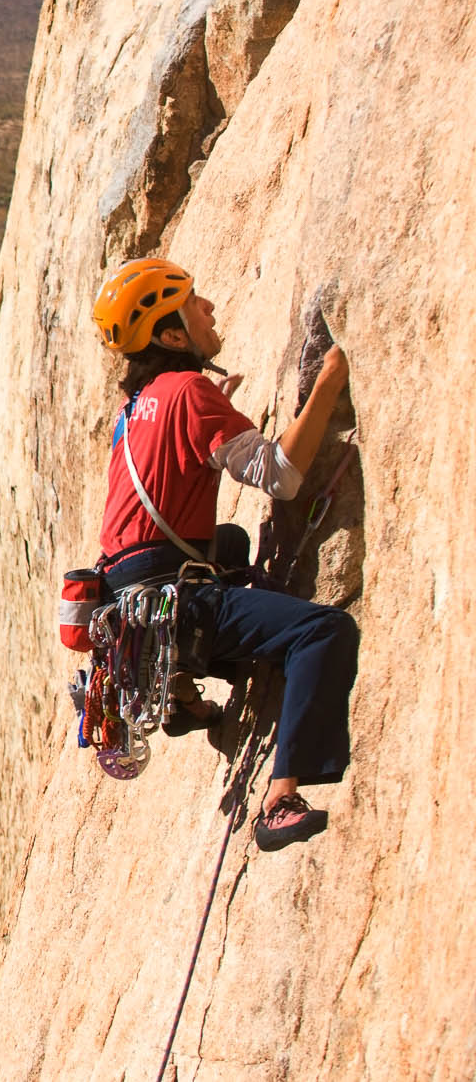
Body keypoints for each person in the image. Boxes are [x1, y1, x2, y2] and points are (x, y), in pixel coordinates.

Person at [91, 258, 359, 851]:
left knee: (232, 544)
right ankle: (280, 798)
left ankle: (184, 691)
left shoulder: (133, 411)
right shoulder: (189, 392)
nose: (208, 308)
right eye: (194, 304)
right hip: (177, 608)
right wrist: (330, 383)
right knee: (322, 633)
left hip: (133, 612)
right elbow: (282, 475)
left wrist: (209, 411)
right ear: (172, 335)